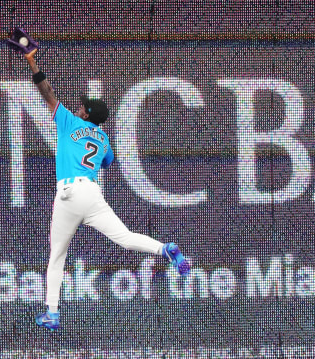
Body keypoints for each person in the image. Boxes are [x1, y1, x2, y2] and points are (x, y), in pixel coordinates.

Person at [22, 47, 190, 331]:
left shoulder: (69, 122)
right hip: (92, 193)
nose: (78, 107)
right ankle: (165, 249)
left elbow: (46, 92)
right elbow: (108, 162)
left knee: (57, 257)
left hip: (69, 193)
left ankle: (52, 312)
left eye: (82, 107)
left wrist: (31, 61)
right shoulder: (103, 139)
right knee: (124, 237)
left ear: (86, 114)